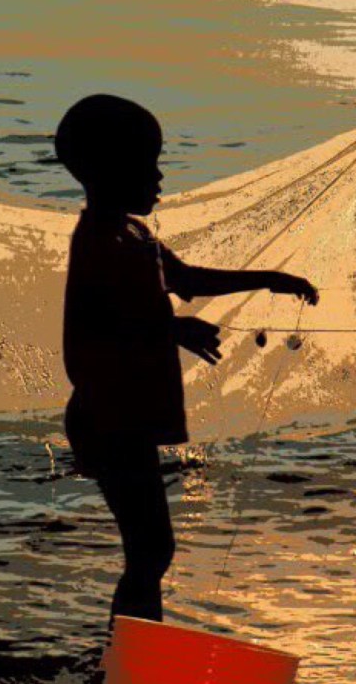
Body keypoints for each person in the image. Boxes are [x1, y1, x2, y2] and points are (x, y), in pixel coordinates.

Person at [55, 93, 318, 626]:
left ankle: (130, 652)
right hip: (109, 417)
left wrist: (270, 278)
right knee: (150, 549)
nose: (158, 176)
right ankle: (126, 658)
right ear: (106, 170)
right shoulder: (99, 242)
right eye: (145, 163)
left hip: (123, 415)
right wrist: (170, 326)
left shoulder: (134, 234)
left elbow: (188, 281)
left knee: (151, 549)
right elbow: (102, 322)